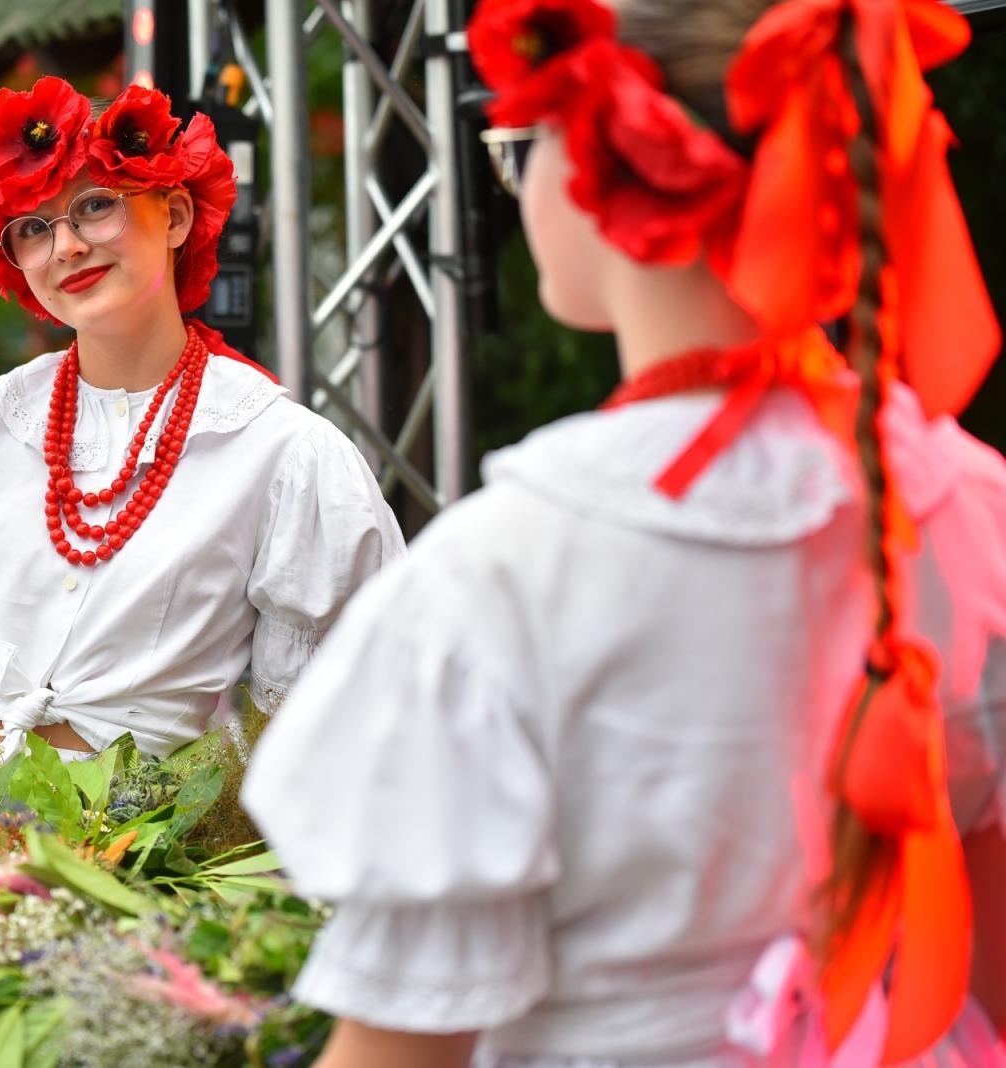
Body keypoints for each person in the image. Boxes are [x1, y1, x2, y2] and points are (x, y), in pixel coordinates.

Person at [243, 0, 1006, 1064]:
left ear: (608, 167)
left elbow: (404, 1046)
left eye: (520, 147)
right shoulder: (969, 501)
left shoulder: (502, 571)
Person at [0, 77, 404, 805]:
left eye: (94, 206)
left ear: (173, 215)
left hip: (140, 860)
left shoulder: (284, 455)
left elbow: (312, 734)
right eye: (33, 228)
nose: (67, 246)